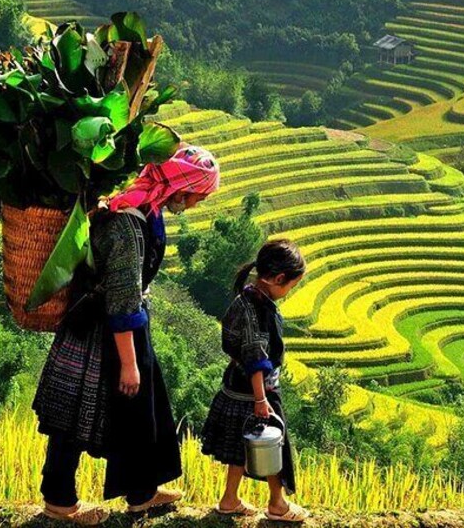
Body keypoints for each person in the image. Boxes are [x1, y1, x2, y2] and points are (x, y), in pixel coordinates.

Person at [31, 143, 220, 525]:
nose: (197, 203)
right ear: (182, 189)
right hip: (101, 331)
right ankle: (59, 501)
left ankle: (142, 492)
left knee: (140, 412)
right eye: (198, 196)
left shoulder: (146, 209)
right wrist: (130, 363)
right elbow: (120, 299)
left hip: (125, 325)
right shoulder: (125, 224)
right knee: (73, 415)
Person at [200, 238, 310, 523]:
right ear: (279, 278)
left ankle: (229, 499)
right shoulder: (255, 310)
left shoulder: (247, 298)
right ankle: (277, 504)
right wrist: (262, 399)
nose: (288, 292)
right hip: (257, 391)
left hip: (236, 385)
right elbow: (254, 357)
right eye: (291, 286)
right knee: (273, 443)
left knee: (240, 446)